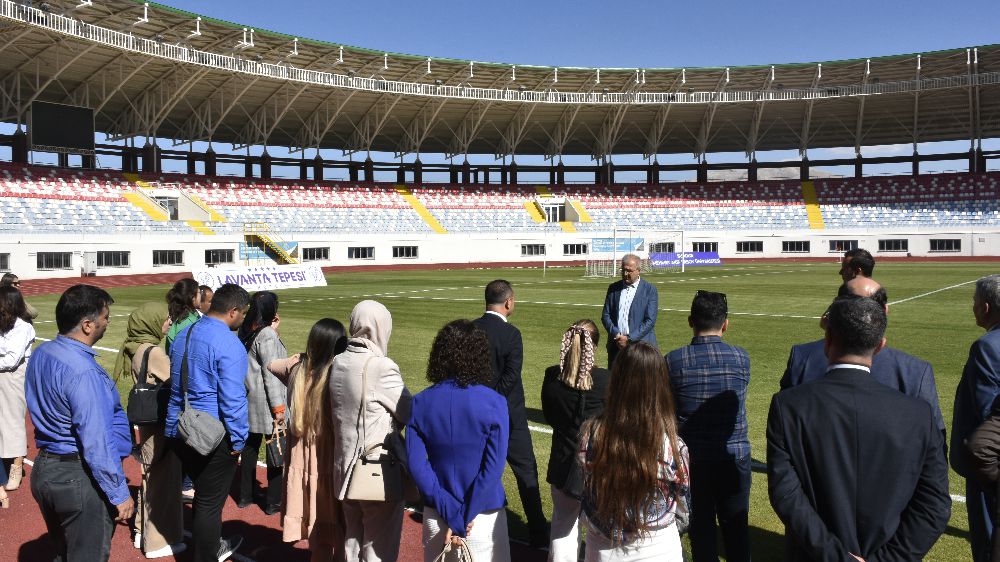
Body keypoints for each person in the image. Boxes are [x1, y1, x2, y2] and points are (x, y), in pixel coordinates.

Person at [767, 296, 950, 561]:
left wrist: (834, 555)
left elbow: (787, 494)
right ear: (880, 346)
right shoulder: (917, 414)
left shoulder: (789, 406)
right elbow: (935, 504)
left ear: (827, 339)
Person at [25, 284, 134, 561]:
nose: (107, 324)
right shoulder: (83, 372)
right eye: (105, 318)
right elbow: (96, 441)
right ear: (87, 325)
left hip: (47, 468)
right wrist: (119, 493)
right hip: (76, 474)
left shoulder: (42, 353)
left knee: (64, 551)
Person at [781, 277, 946, 439]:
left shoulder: (803, 357)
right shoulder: (915, 371)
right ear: (885, 311)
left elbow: (785, 438)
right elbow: (934, 445)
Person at [407, 319, 511, 562]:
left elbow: (417, 465)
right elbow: (493, 468)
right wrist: (463, 515)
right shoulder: (494, 402)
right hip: (482, 516)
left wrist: (451, 512)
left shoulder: (422, 402)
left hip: (439, 514)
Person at [577, 341, 689, 560]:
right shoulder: (673, 446)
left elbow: (588, 493)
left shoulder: (590, 436)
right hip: (654, 547)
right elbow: (683, 509)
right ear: (660, 385)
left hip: (608, 547)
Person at [165, 283, 250, 562]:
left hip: (180, 427)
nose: (244, 319)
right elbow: (233, 398)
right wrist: (238, 440)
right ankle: (207, 555)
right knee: (209, 504)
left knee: (203, 499)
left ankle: (209, 547)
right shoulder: (229, 343)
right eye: (243, 314)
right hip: (212, 434)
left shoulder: (184, 333)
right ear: (234, 311)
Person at [665, 290, 751, 562]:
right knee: (736, 530)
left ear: (690, 321)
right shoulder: (740, 357)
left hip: (694, 461)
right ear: (725, 323)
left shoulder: (674, 360)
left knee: (701, 530)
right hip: (732, 457)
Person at [330, 300, 412, 562]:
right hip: (376, 468)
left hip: (344, 465)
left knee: (352, 542)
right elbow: (409, 412)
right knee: (379, 547)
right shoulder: (381, 366)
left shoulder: (338, 361)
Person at [472, 279, 548, 546]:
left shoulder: (470, 330)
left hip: (476, 414)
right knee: (526, 472)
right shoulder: (512, 334)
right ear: (508, 302)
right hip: (508, 415)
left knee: (478, 469)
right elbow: (510, 377)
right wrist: (492, 400)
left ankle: (472, 521)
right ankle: (538, 530)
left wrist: (480, 400)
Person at [268, 319, 349, 562]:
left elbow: (272, 365)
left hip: (302, 455)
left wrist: (298, 356)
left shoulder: (297, 370)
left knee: (318, 531)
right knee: (341, 529)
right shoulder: (338, 376)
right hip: (329, 455)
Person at [114, 301, 186, 559]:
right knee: (162, 481)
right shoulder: (153, 351)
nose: (168, 322)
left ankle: (140, 530)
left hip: (146, 425)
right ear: (151, 322)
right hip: (159, 425)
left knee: (149, 477)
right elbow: (179, 382)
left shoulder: (136, 347)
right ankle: (157, 542)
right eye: (165, 318)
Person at [541, 320, 611, 562]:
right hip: (596, 465)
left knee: (562, 526)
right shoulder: (606, 381)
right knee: (598, 531)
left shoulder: (553, 377)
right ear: (596, 347)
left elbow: (549, 416)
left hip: (563, 462)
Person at [952, 274, 1000, 562]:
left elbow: (986, 412)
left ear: (985, 307)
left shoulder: (988, 347)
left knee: (987, 540)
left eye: (974, 301)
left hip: (989, 468)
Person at [237, 291, 288, 515]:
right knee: (275, 451)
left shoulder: (247, 330)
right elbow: (272, 373)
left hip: (250, 398)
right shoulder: (266, 334)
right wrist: (279, 408)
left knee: (249, 449)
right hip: (266, 401)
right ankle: (273, 501)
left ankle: (245, 495)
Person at [0, 286, 35, 501]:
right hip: (3, 373)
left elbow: (12, 360)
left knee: (11, 421)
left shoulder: (22, 327)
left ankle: (16, 465)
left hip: (13, 376)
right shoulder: (4, 325)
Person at [601, 254, 659, 367]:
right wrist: (617, 334)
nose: (625, 274)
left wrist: (629, 339)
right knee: (616, 382)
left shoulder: (650, 290)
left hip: (641, 348)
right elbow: (605, 315)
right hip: (616, 347)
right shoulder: (613, 288)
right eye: (623, 270)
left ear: (638, 271)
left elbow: (650, 320)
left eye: (629, 271)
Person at [165, 278, 201, 354]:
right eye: (199, 292)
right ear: (192, 297)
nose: (201, 295)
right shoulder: (188, 323)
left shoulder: (183, 316)